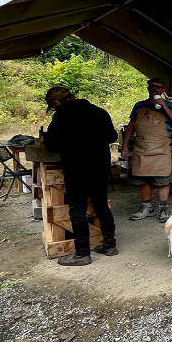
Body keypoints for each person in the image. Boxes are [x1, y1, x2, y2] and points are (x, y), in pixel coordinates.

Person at [43, 87, 119, 267]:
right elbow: (112, 136)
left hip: (76, 169)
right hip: (100, 167)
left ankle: (82, 254)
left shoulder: (61, 116)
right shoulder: (99, 112)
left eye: (53, 107)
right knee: (101, 205)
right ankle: (109, 245)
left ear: (57, 103)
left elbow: (50, 143)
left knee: (77, 210)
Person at [120, 78, 172, 223]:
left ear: (162, 91)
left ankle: (163, 208)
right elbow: (131, 127)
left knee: (163, 179)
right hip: (141, 148)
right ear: (148, 88)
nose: (154, 88)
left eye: (158, 87)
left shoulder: (171, 105)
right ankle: (147, 206)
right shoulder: (139, 106)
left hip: (161, 148)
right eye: (151, 86)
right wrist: (125, 145)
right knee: (142, 177)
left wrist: (165, 108)